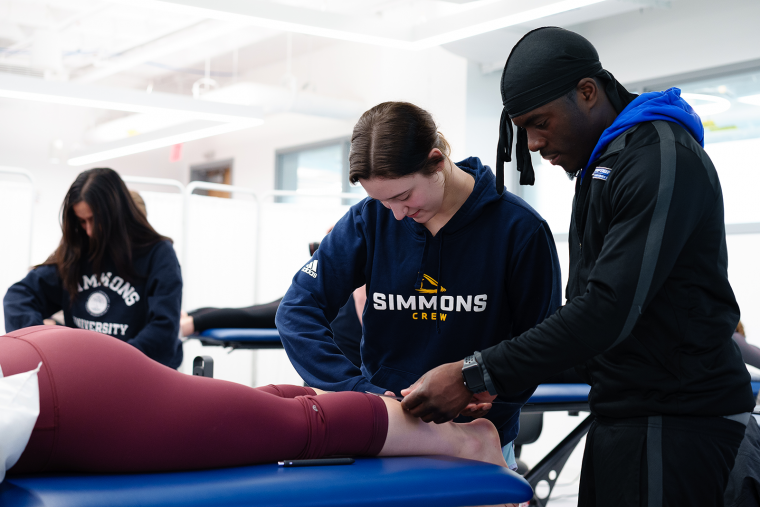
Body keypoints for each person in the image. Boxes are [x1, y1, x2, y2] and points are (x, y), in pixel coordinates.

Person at [399, 27, 754, 506]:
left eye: (539, 122)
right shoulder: (604, 165)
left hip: (678, 425)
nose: (531, 143)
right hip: (625, 414)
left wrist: (475, 374)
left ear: (587, 93)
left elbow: (608, 309)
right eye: (522, 128)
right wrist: (496, 377)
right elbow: (593, 320)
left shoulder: (659, 157)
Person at [275, 101, 563, 463]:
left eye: (403, 196)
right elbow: (297, 309)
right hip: (384, 432)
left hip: (476, 440)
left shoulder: (519, 230)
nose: (396, 214)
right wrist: (357, 391)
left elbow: (542, 341)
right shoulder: (368, 220)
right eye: (381, 201)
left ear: (436, 161)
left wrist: (491, 391)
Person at [1, 325, 507, 477]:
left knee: (299, 427)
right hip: (44, 377)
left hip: (63, 393)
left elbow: (289, 310)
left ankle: (469, 443)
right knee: (260, 414)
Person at [3, 168, 183, 369]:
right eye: (82, 221)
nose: (89, 231)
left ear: (117, 213)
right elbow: (18, 297)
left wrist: (112, 364)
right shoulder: (78, 251)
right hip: (85, 377)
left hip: (140, 375)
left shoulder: (158, 254)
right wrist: (40, 344)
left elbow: (163, 329)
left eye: (95, 221)